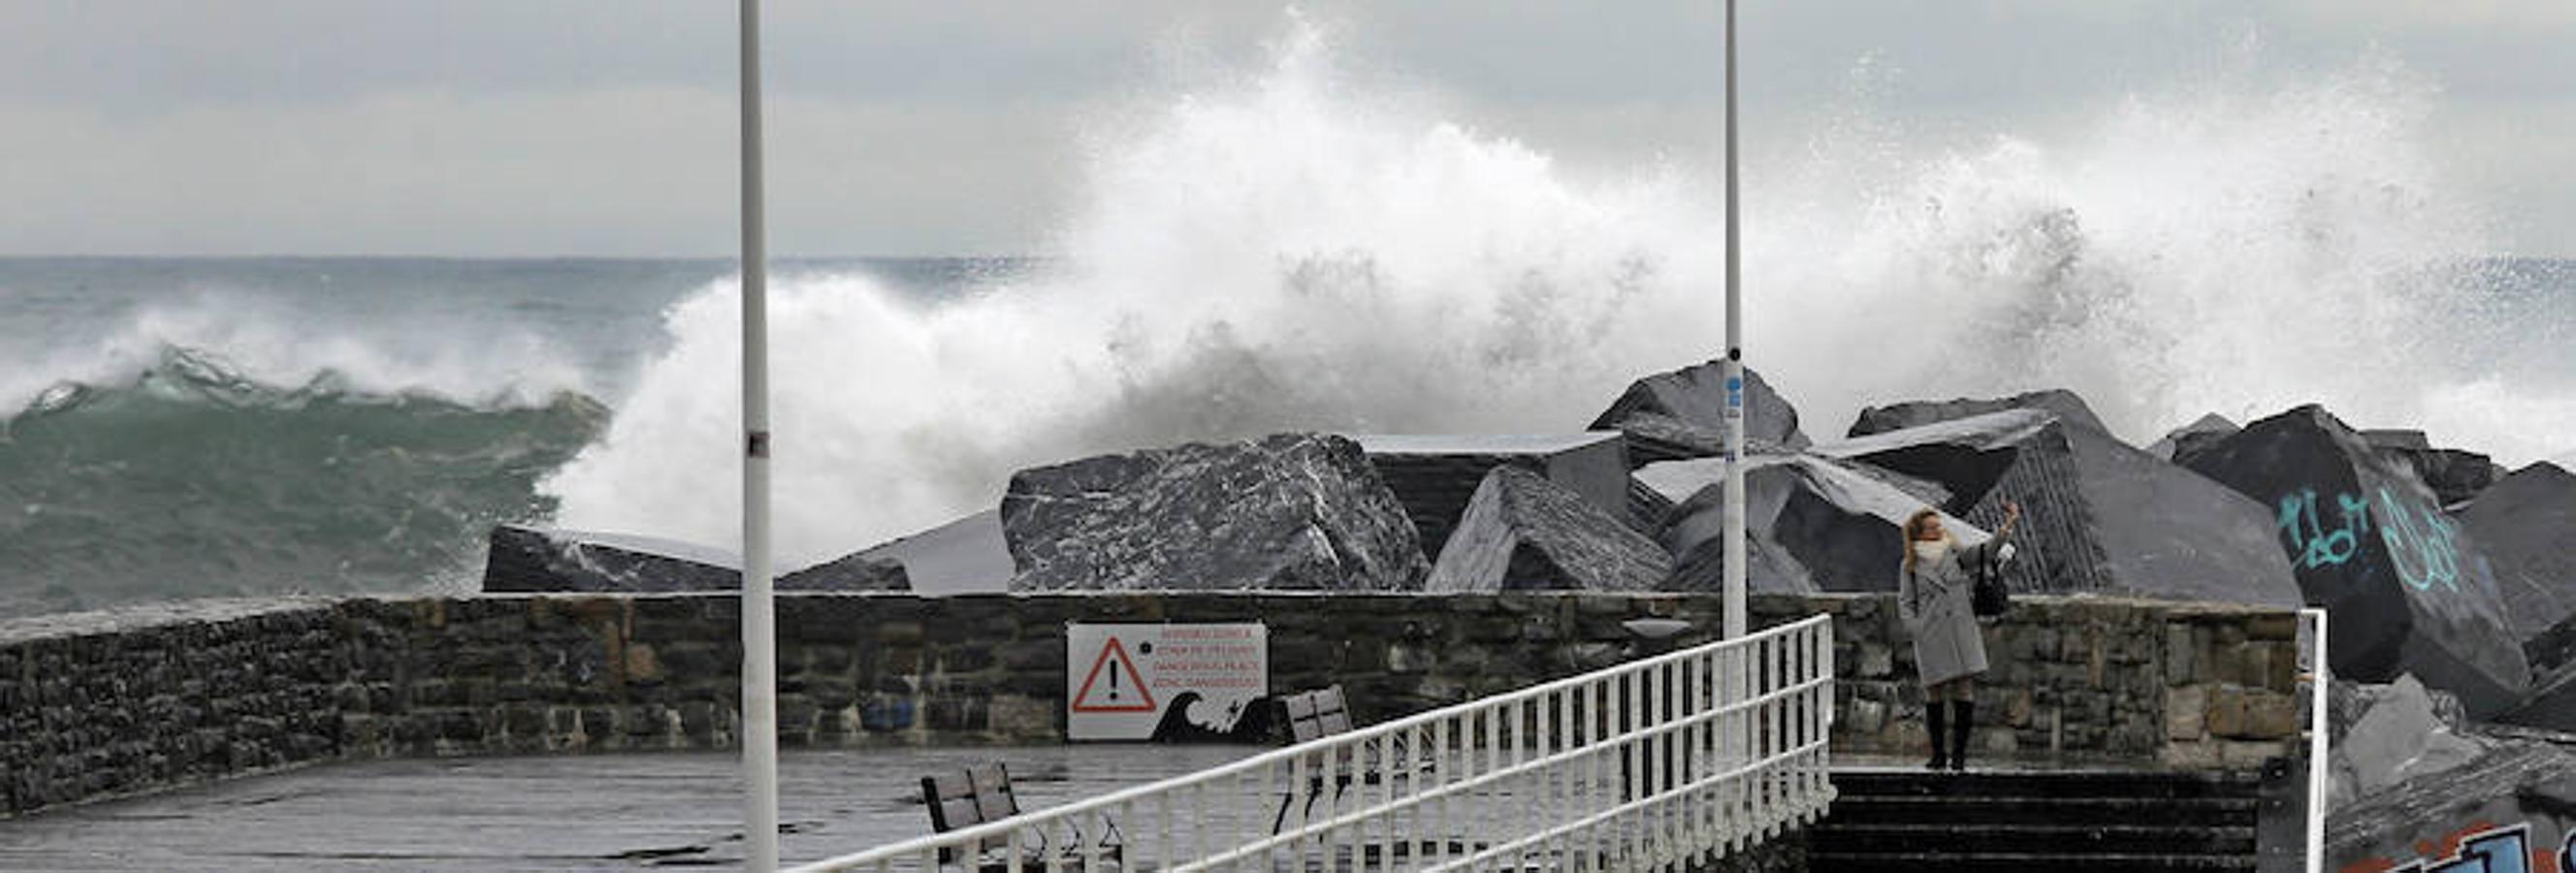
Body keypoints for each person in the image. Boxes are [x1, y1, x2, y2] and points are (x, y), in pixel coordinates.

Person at [1898, 500, 2020, 772]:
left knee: (1964, 689)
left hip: (1960, 631)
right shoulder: (1910, 565)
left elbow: (1987, 552)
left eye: (1938, 527)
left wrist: (2008, 525)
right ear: (1919, 533)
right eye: (1931, 528)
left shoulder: (1955, 555)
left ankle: (1959, 756)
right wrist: (1917, 629)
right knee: (1934, 693)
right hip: (1931, 635)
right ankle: (1939, 754)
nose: (1938, 532)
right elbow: (1906, 602)